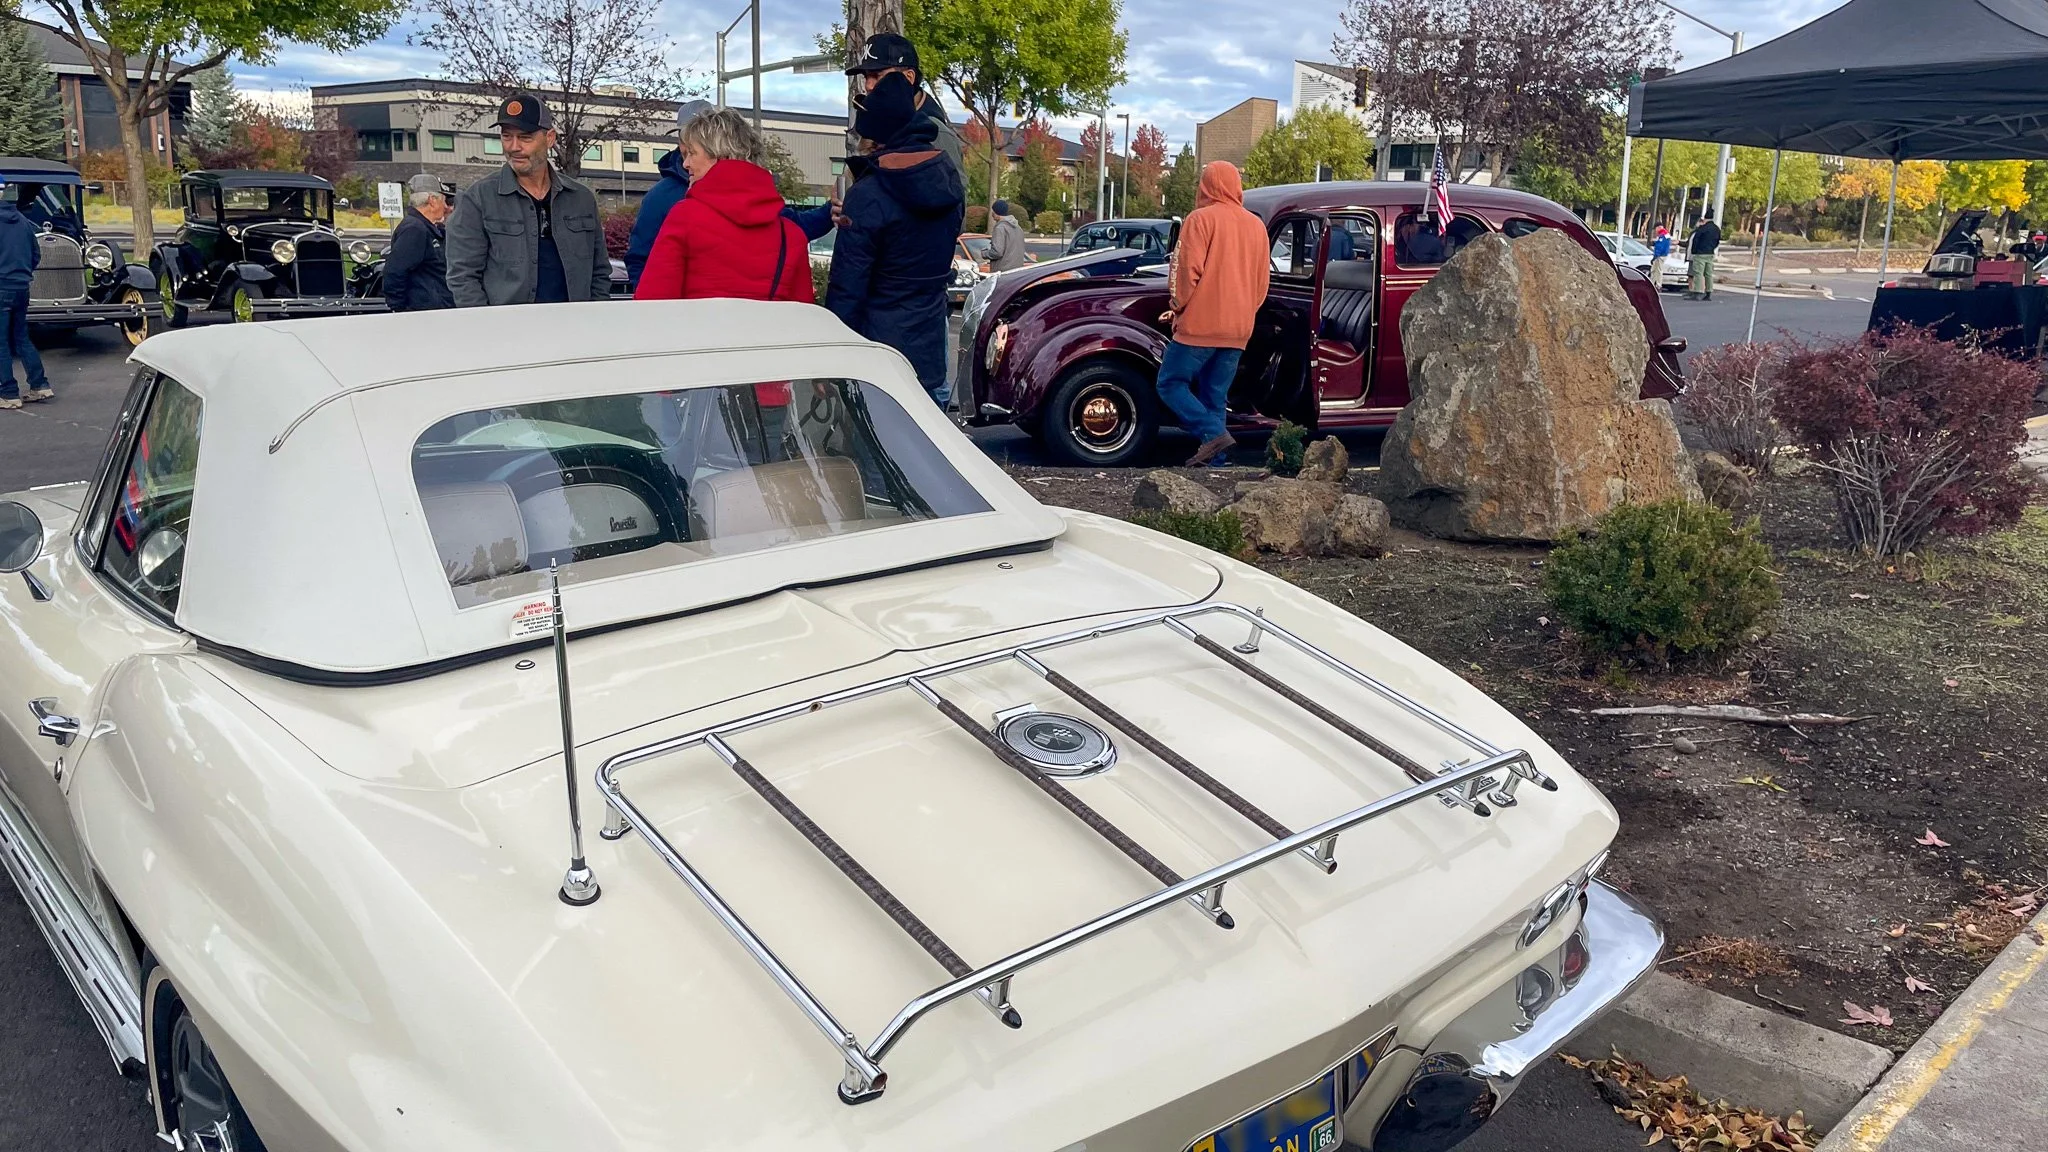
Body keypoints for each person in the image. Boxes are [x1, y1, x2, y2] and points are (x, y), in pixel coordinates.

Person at [826, 71, 966, 409]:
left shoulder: (869, 195)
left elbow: (848, 287)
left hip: (878, 355)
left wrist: (831, 360)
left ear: (877, 137)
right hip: (929, 346)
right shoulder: (947, 180)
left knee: (878, 457)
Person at [446, 91, 611, 307]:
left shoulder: (581, 198)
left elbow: (599, 271)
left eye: (525, 137)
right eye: (507, 136)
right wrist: (486, 328)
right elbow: (462, 276)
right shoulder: (478, 199)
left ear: (549, 138)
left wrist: (593, 319)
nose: (514, 147)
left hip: (574, 331)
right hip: (508, 334)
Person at [634, 108, 814, 304]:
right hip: (768, 333)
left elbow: (652, 303)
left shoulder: (685, 216)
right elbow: (802, 317)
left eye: (692, 153)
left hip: (698, 333)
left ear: (719, 156)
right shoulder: (791, 235)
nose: (685, 164)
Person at [1156, 161, 1268, 467]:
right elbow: (1262, 284)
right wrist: (1244, 312)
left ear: (1206, 185)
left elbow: (1185, 272)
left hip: (1200, 325)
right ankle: (1218, 462)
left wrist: (1177, 307)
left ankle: (1212, 434)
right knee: (1215, 395)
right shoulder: (1256, 225)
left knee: (1169, 383)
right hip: (1238, 329)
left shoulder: (1200, 219)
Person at [844, 34, 965, 182]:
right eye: (866, 76)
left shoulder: (937, 132)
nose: (868, 85)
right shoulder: (877, 121)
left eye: (877, 75)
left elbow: (955, 195)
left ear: (909, 77)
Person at [0, 184, 50, 411]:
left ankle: (9, 393)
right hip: (22, 287)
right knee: (21, 337)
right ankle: (39, 384)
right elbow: (35, 254)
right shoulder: (22, 221)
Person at [384, 173, 455, 312]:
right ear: (432, 200)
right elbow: (395, 271)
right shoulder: (415, 230)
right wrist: (400, 309)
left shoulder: (427, 228)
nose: (446, 206)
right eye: (444, 200)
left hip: (434, 310)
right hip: (423, 313)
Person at [1686, 213, 1722, 300]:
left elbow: (1696, 240)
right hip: (1710, 253)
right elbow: (1717, 241)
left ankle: (1697, 292)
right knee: (1708, 274)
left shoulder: (1702, 229)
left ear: (1705, 219)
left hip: (1700, 253)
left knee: (1698, 273)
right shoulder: (1716, 229)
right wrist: (1712, 248)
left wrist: (1694, 251)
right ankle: (1708, 292)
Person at [985, 199, 1028, 272]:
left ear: (996, 212)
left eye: (993, 211)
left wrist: (984, 253)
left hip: (1002, 272)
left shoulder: (1000, 228)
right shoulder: (1018, 228)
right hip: (1017, 271)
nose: (992, 214)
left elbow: (997, 252)